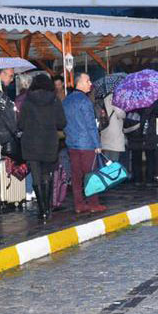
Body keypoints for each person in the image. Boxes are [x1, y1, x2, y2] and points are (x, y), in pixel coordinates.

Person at [18, 74, 66, 221]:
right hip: (49, 143)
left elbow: (20, 125)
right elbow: (62, 123)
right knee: (47, 175)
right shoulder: (55, 100)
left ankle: (42, 210)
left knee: (36, 176)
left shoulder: (27, 101)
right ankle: (48, 209)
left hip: (31, 144)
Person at [62, 73, 105, 213]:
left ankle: (79, 204)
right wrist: (97, 144)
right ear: (79, 83)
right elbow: (91, 125)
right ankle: (93, 204)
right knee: (91, 174)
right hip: (86, 144)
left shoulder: (66, 100)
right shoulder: (85, 101)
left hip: (72, 143)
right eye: (87, 80)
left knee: (76, 175)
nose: (90, 83)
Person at [126, 98, 158, 185]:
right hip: (148, 131)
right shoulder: (152, 98)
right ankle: (149, 179)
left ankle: (137, 179)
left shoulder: (132, 97)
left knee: (136, 155)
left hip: (134, 130)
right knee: (150, 155)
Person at [13, 74, 35, 201]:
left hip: (23, 135)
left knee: (25, 163)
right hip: (35, 133)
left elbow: (16, 118)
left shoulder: (18, 99)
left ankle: (27, 191)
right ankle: (34, 190)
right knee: (35, 163)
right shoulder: (34, 98)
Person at [101, 93, 126, 162]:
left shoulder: (103, 98)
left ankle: (106, 172)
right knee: (114, 162)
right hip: (114, 134)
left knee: (106, 161)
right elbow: (120, 114)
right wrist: (125, 112)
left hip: (105, 132)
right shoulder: (114, 97)